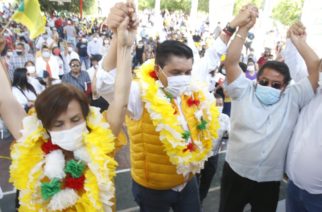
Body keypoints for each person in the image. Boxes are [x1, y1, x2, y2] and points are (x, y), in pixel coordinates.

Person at [97, 3, 251, 212]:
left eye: (188, 72)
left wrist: (234, 24)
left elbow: (213, 54)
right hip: (153, 189)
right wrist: (118, 38)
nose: (184, 78)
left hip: (187, 182)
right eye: (176, 72)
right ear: (158, 70)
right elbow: (105, 84)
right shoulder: (139, 94)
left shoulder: (190, 85)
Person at [1, 11, 135, 211]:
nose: (69, 128)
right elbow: (5, 101)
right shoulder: (34, 144)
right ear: (45, 127)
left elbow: (121, 98)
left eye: (75, 119)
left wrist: (124, 46)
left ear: (85, 116)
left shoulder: (101, 141)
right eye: (58, 124)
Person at [219, 5, 320, 211]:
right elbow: (231, 62)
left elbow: (315, 70)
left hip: (269, 180)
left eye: (276, 85)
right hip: (236, 173)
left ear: (285, 87)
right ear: (256, 80)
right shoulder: (244, 90)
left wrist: (297, 41)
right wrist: (243, 30)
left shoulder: (293, 97)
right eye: (264, 81)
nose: (268, 87)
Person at [283, 24, 322, 212]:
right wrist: (292, 42)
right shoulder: (315, 87)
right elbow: (294, 70)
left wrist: (300, 43)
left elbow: (316, 65)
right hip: (294, 186)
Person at [198, 94, 230, 206]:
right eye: (215, 104)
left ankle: (200, 200)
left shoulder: (225, 119)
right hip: (199, 156)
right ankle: (194, 201)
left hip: (213, 156)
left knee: (207, 181)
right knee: (195, 180)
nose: (218, 107)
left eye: (221, 104)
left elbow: (229, 134)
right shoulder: (201, 117)